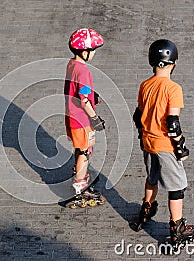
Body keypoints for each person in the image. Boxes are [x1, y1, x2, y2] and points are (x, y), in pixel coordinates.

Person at [132, 39, 194, 247]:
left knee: (152, 178)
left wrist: (145, 135)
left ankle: (146, 210)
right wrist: (180, 147)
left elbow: (138, 116)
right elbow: (172, 123)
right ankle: (177, 227)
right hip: (165, 146)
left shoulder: (145, 85)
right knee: (177, 188)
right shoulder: (173, 88)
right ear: (174, 63)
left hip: (148, 143)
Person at [64, 28, 105, 200]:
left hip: (72, 116)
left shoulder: (72, 64)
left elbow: (78, 90)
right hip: (82, 119)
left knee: (80, 149)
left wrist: (93, 96)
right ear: (84, 52)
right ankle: (80, 187)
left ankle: (80, 176)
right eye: (92, 50)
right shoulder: (84, 72)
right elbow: (84, 100)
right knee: (85, 151)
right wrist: (95, 119)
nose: (94, 53)